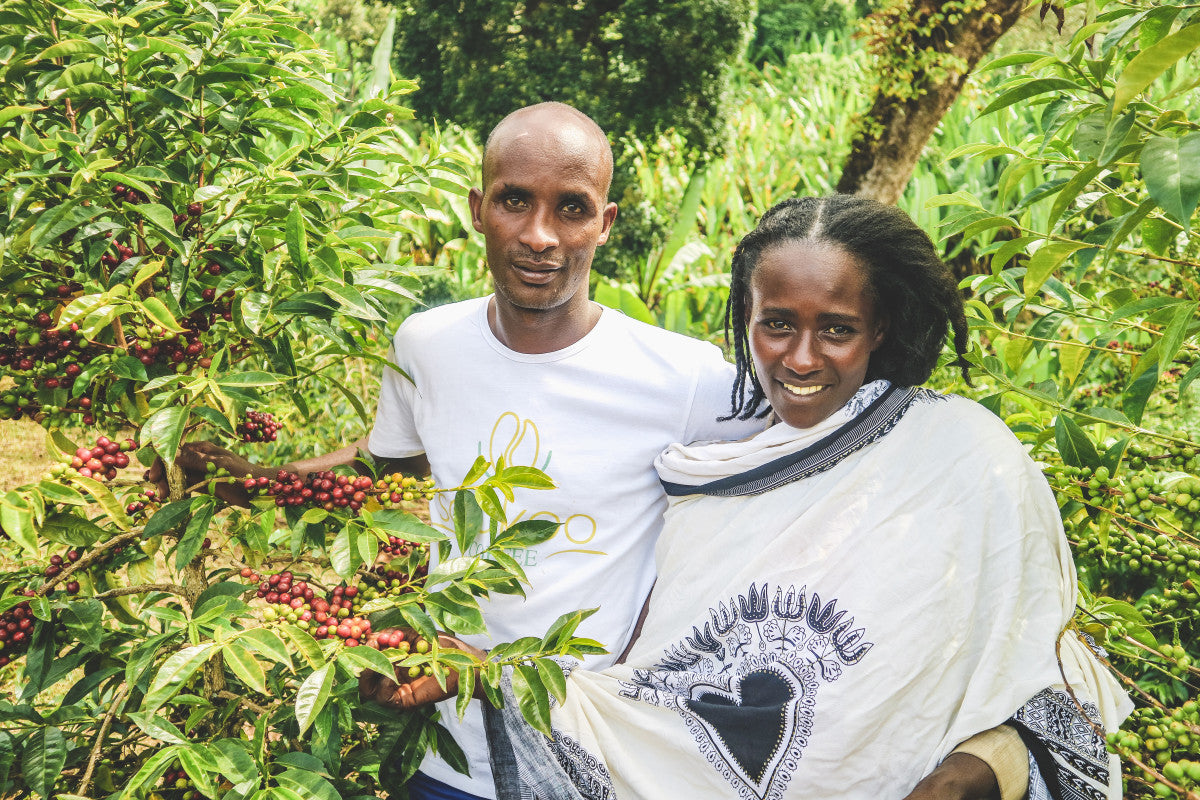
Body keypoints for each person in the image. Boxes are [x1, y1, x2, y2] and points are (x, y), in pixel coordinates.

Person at [165, 103, 1018, 798]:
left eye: (570, 208)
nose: (541, 234)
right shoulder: (424, 345)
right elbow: (382, 471)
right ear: (477, 208)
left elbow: (819, 466)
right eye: (515, 200)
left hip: (599, 757)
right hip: (447, 750)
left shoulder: (684, 379)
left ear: (604, 223)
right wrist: (245, 482)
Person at [360, 195, 1133, 800]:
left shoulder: (963, 457)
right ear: (745, 321)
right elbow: (658, 702)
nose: (800, 358)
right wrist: (484, 670)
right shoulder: (715, 476)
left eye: (836, 329)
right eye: (775, 326)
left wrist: (956, 779)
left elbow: (1049, 678)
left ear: (880, 327)